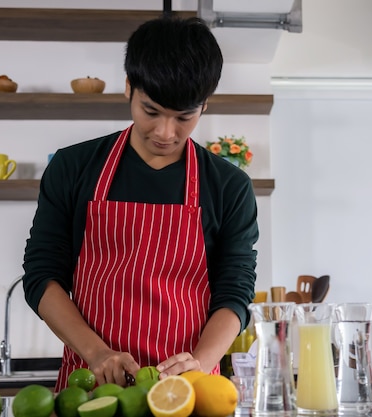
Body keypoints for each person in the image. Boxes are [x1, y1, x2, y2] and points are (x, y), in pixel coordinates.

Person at [22, 16, 258, 391]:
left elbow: (235, 292)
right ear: (129, 87)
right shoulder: (73, 167)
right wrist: (97, 353)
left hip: (187, 393)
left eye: (184, 117)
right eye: (151, 111)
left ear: (205, 106)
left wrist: (199, 364)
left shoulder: (229, 187)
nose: (166, 132)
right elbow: (42, 275)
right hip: (90, 389)